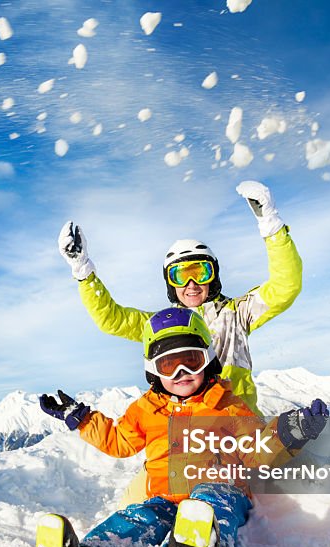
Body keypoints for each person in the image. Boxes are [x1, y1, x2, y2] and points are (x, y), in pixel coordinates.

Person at [35, 308, 328, 547]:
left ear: (209, 359)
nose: (182, 372)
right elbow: (120, 441)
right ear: (154, 371)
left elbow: (256, 448)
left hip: (221, 492)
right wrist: (83, 419)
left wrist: (289, 433)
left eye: (192, 359)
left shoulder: (227, 405)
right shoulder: (146, 409)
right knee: (136, 518)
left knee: (207, 500)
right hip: (166, 498)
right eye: (169, 365)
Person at [58, 181, 302, 505]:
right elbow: (111, 319)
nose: (190, 284)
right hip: (180, 441)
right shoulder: (161, 327)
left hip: (232, 436)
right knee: (135, 505)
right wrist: (82, 270)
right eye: (179, 275)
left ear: (212, 276)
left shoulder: (236, 314)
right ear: (170, 283)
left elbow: (286, 286)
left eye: (198, 272)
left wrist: (270, 223)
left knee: (228, 497)